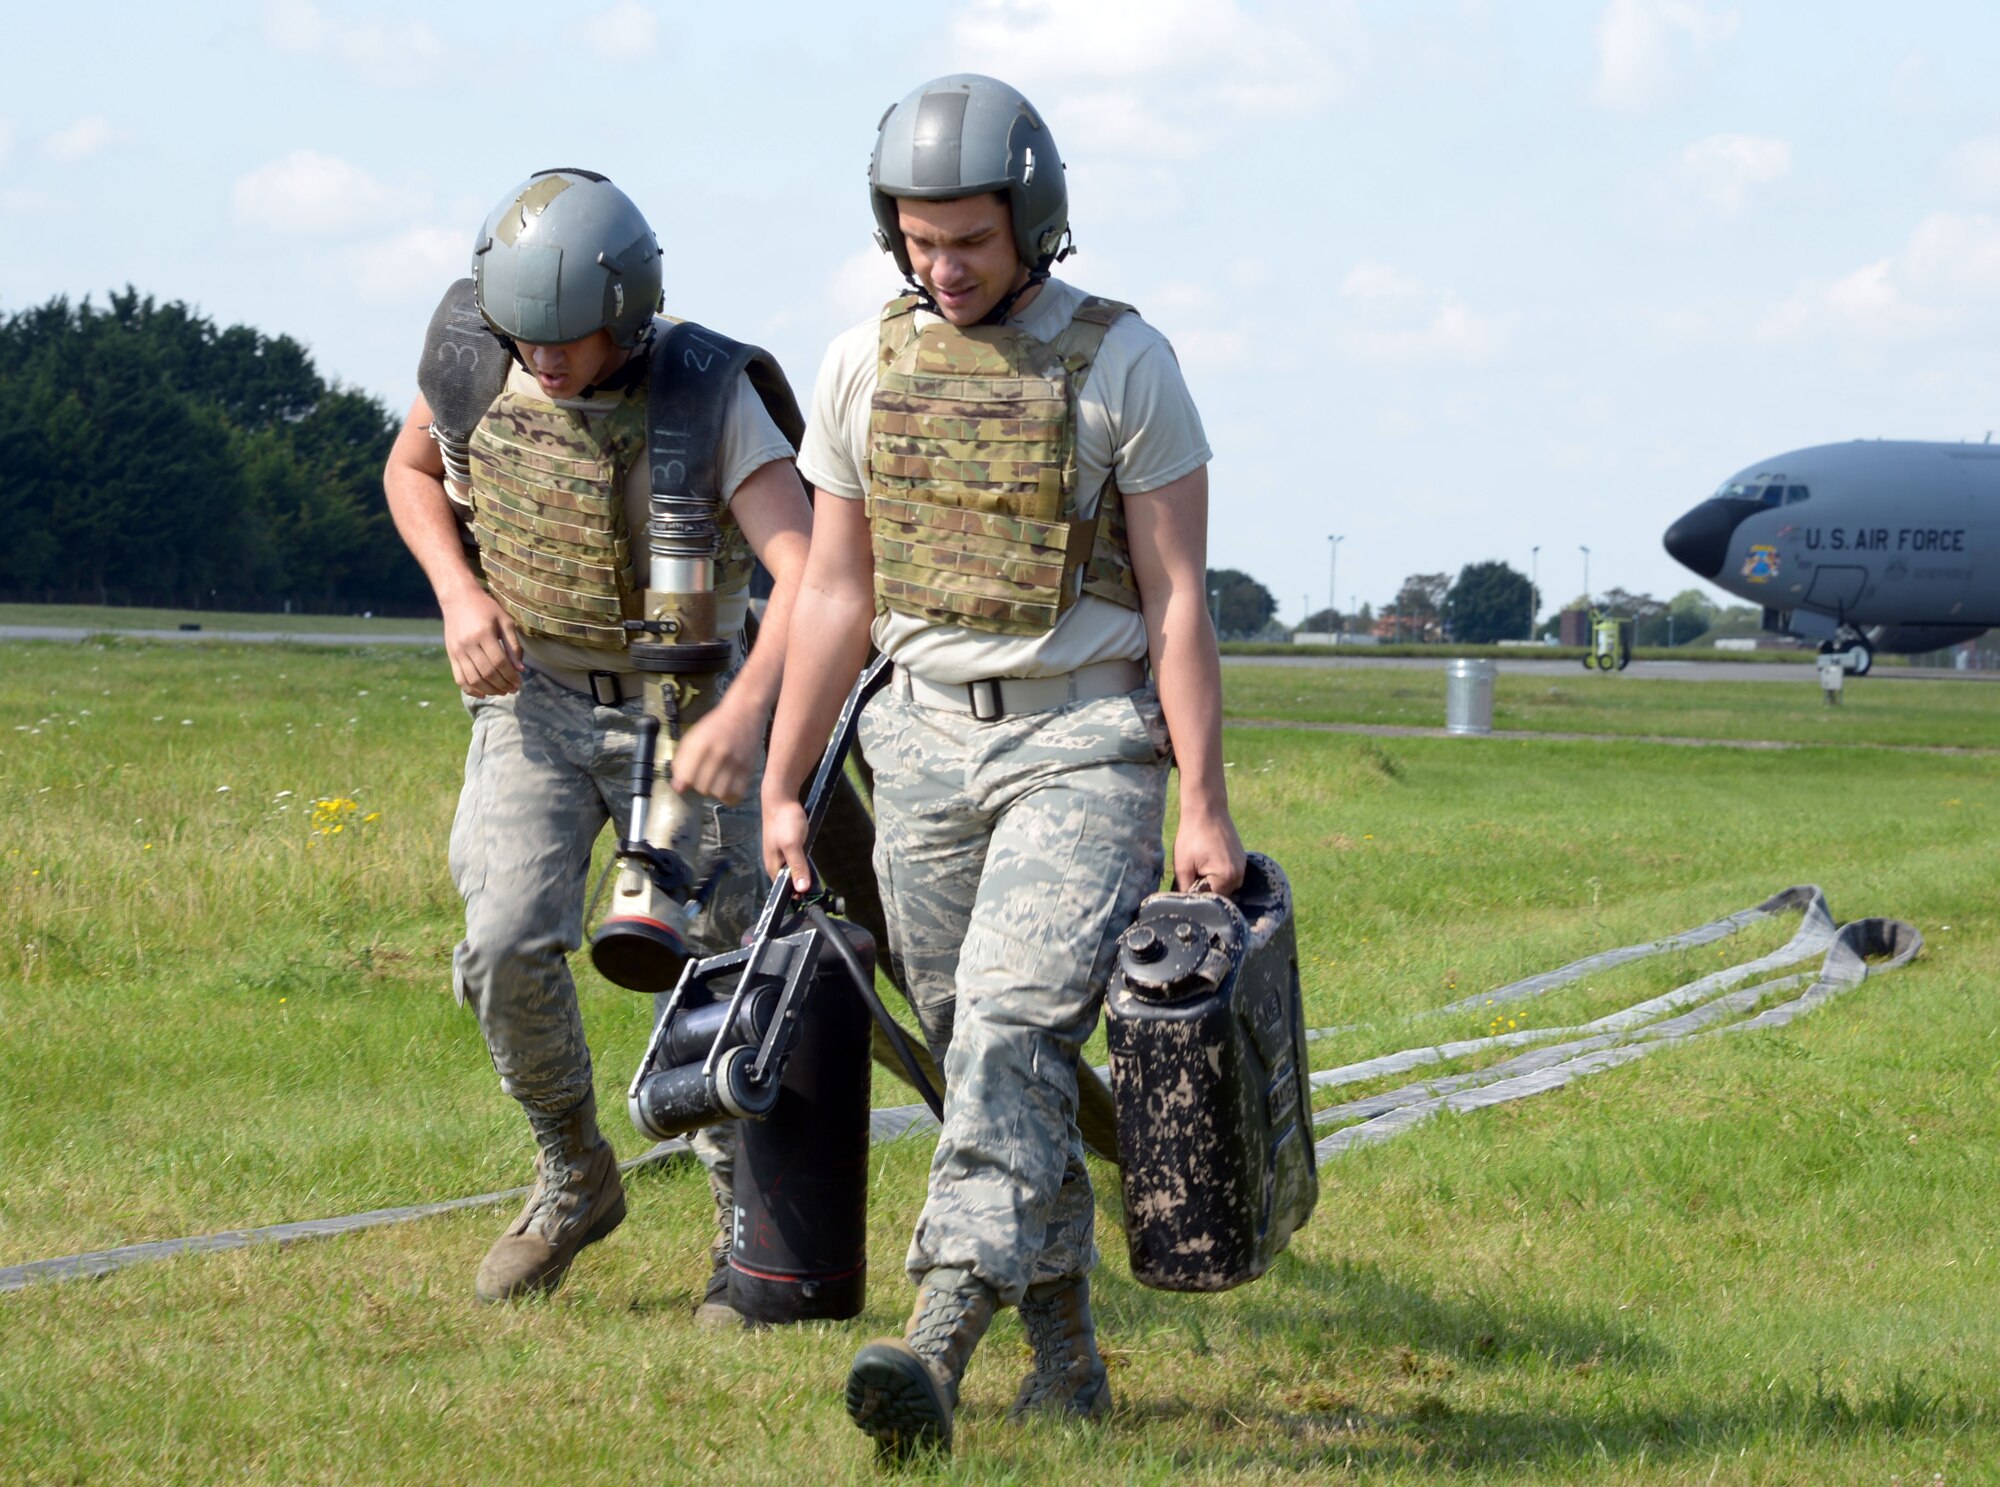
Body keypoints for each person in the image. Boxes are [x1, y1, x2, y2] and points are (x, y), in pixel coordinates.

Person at [760, 75, 1245, 1460]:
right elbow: (834, 592)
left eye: (969, 239)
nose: (944, 267)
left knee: (1012, 1032)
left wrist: (1202, 801)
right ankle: (1068, 1353)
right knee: (986, 1057)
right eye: (919, 241)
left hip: (1084, 740)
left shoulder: (1124, 364)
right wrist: (785, 781)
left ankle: (938, 1332)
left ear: (1033, 222)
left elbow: (1178, 600)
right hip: (916, 746)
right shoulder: (861, 366)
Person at [382, 169, 812, 1318]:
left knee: (714, 961)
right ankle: (573, 1170)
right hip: (533, 698)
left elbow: (809, 572)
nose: (544, 358)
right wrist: (459, 596)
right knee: (503, 943)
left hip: (685, 713)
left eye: (567, 338)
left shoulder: (709, 395)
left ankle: (740, 1229)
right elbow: (410, 471)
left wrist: (741, 716)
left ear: (627, 315)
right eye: (526, 336)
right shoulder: (474, 359)